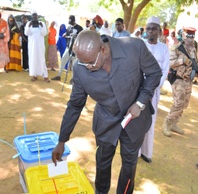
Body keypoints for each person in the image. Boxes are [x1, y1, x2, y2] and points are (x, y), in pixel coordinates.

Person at [52, 30, 162, 193]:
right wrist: (62, 140)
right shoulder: (81, 69)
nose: (86, 67)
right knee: (102, 164)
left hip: (135, 120)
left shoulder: (134, 47)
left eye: (90, 62)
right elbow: (75, 105)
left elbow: (154, 73)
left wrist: (140, 102)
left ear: (103, 50)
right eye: (82, 63)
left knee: (129, 165)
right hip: (105, 123)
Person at [138, 16, 169, 163]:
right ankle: (135, 152)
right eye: (148, 28)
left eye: (154, 28)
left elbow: (165, 70)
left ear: (159, 31)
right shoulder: (141, 45)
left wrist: (153, 87)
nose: (151, 31)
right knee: (137, 120)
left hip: (154, 92)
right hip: (139, 90)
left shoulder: (164, 49)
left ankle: (146, 152)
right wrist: (144, 88)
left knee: (150, 120)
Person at [162, 27, 198, 137]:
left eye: (192, 36)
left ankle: (174, 123)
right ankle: (167, 123)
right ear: (183, 35)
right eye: (188, 35)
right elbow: (170, 63)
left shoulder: (193, 49)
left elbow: (195, 62)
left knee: (184, 104)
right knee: (178, 103)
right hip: (178, 79)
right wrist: (182, 61)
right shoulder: (176, 48)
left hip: (188, 80)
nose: (190, 38)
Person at [51, 15, 83, 81]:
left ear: (73, 20)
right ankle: (59, 75)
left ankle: (73, 79)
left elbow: (81, 37)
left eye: (70, 20)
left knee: (74, 64)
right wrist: (66, 34)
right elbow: (67, 34)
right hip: (68, 48)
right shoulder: (69, 28)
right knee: (63, 60)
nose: (69, 22)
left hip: (75, 49)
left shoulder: (79, 28)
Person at [24, 11, 50, 83]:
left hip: (40, 45)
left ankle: (45, 76)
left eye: (35, 16)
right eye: (33, 16)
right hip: (32, 46)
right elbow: (26, 33)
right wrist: (29, 27)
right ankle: (34, 75)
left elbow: (44, 33)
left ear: (37, 17)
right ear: (31, 17)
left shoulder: (42, 23)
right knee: (33, 60)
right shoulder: (29, 23)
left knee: (41, 59)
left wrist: (41, 26)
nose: (34, 18)